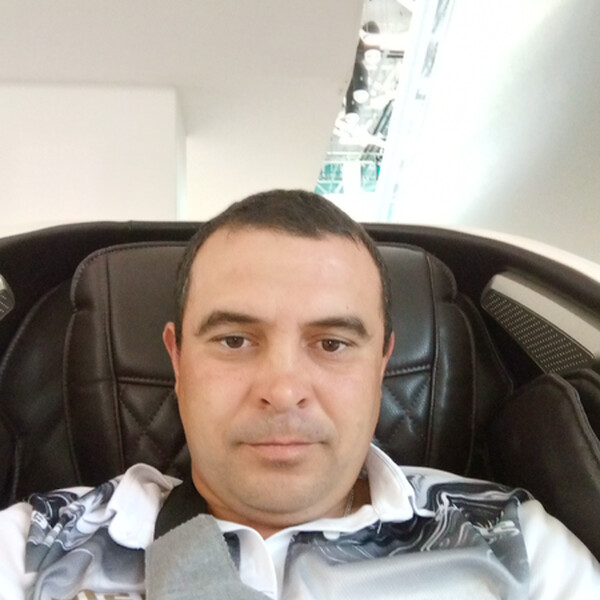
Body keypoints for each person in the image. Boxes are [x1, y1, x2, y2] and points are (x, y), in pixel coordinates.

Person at [1, 189, 599, 600]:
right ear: (178, 361)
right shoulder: (34, 550)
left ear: (381, 365)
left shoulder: (514, 542)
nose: (283, 391)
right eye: (235, 340)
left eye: (332, 344)